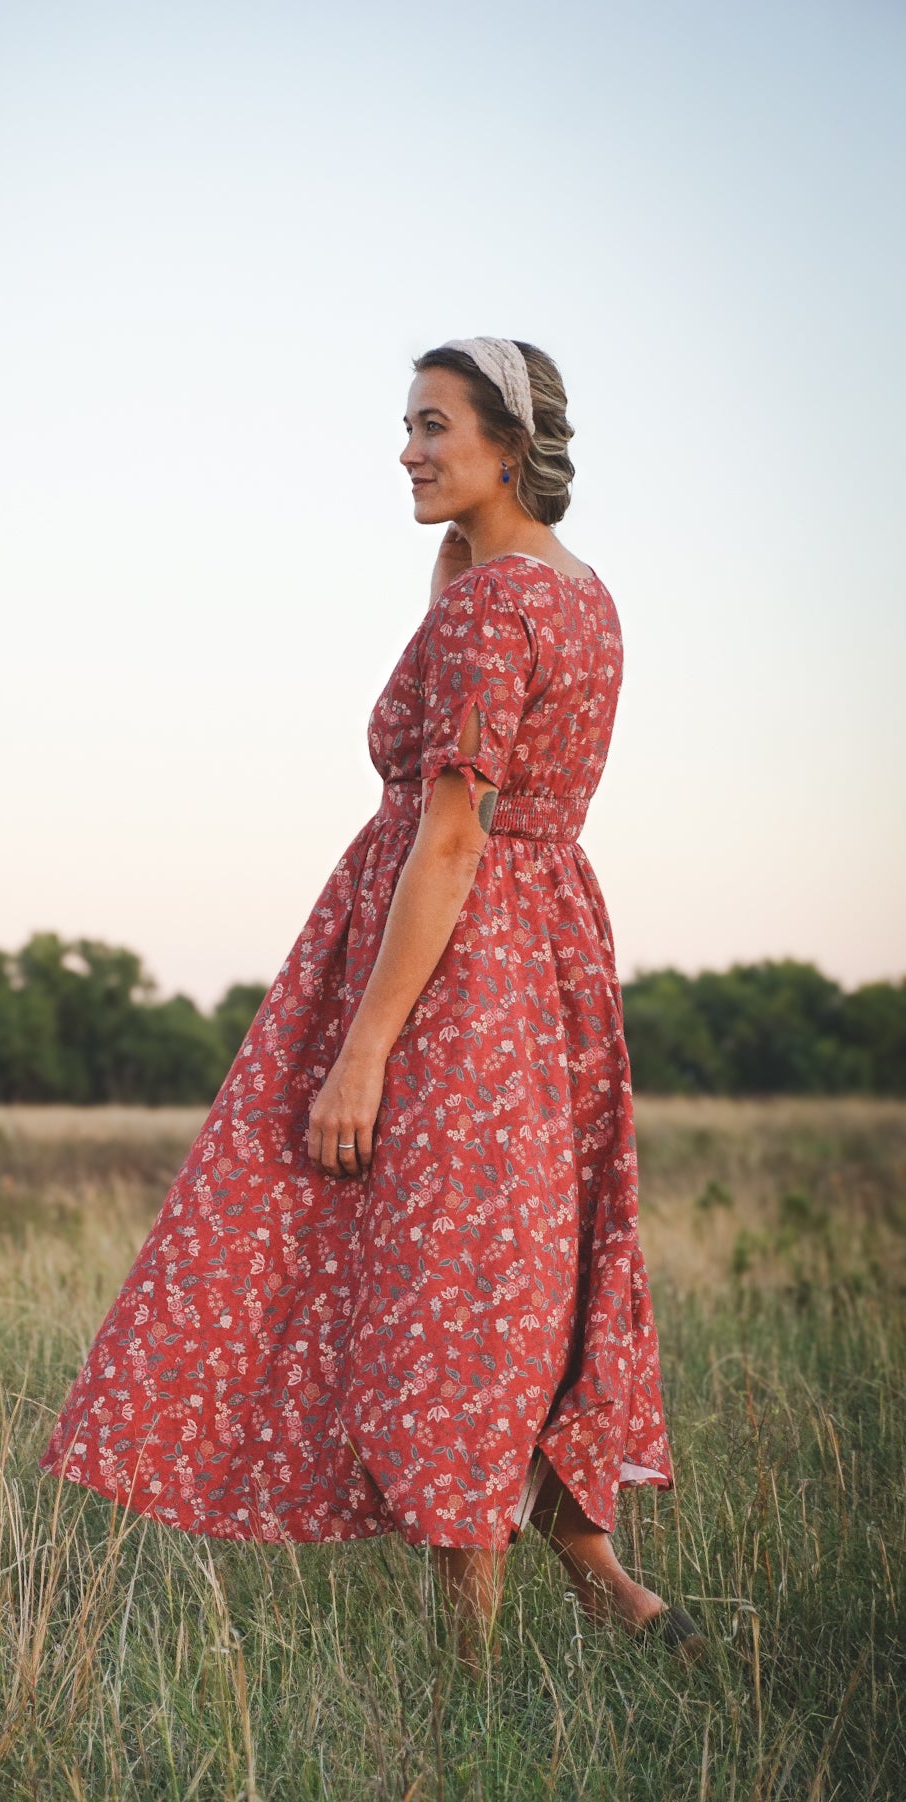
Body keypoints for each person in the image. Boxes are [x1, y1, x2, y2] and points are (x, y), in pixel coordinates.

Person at [41, 336, 699, 1666]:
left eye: (432, 426)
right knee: (523, 1270)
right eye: (407, 426)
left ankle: (469, 1673)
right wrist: (454, 563)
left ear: (507, 444)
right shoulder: (579, 594)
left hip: (456, 966)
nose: (407, 450)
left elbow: (450, 836)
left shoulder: (488, 608)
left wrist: (362, 1050)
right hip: (550, 961)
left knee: (450, 1287)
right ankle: (603, 1583)